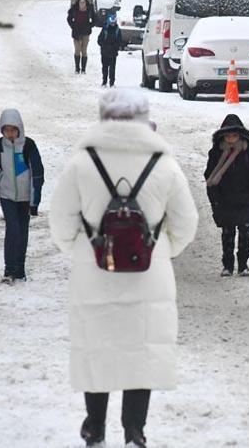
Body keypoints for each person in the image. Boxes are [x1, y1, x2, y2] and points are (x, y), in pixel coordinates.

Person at [49, 90, 198, 448]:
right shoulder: (164, 165)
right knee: (141, 352)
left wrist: (86, 251)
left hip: (94, 274)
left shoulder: (82, 163)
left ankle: (95, 429)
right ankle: (134, 431)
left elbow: (60, 222)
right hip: (149, 276)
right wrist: (158, 251)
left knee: (96, 350)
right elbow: (187, 222)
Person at [0, 109, 45, 282]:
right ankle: (9, 267)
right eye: (6, 130)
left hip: (25, 197)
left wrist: (34, 202)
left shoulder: (28, 146)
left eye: (13, 129)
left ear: (19, 128)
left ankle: (20, 268)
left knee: (22, 231)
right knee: (13, 229)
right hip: (7, 195)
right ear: (2, 130)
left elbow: (37, 174)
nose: (10, 133)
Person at [204, 114, 249, 277]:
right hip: (225, 199)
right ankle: (228, 265)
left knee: (245, 231)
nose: (231, 139)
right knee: (227, 233)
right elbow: (209, 175)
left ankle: (243, 264)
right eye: (228, 135)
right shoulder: (216, 152)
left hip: (245, 198)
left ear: (240, 135)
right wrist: (215, 198)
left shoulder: (248, 151)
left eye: (234, 135)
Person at [68, 0, 96, 74]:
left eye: (83, 2)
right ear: (78, 3)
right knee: (77, 50)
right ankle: (77, 68)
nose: (82, 4)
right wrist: (73, 26)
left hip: (85, 32)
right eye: (81, 2)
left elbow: (95, 19)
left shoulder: (89, 10)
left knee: (84, 50)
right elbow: (69, 19)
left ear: (86, 3)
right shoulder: (74, 9)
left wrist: (90, 25)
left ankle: (83, 69)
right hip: (76, 32)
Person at [97, 12, 124, 87]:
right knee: (104, 67)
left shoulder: (117, 30)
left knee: (112, 68)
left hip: (113, 53)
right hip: (104, 52)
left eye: (114, 21)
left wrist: (115, 47)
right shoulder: (104, 29)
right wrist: (104, 46)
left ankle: (112, 82)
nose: (112, 23)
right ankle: (104, 81)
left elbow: (119, 41)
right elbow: (99, 40)